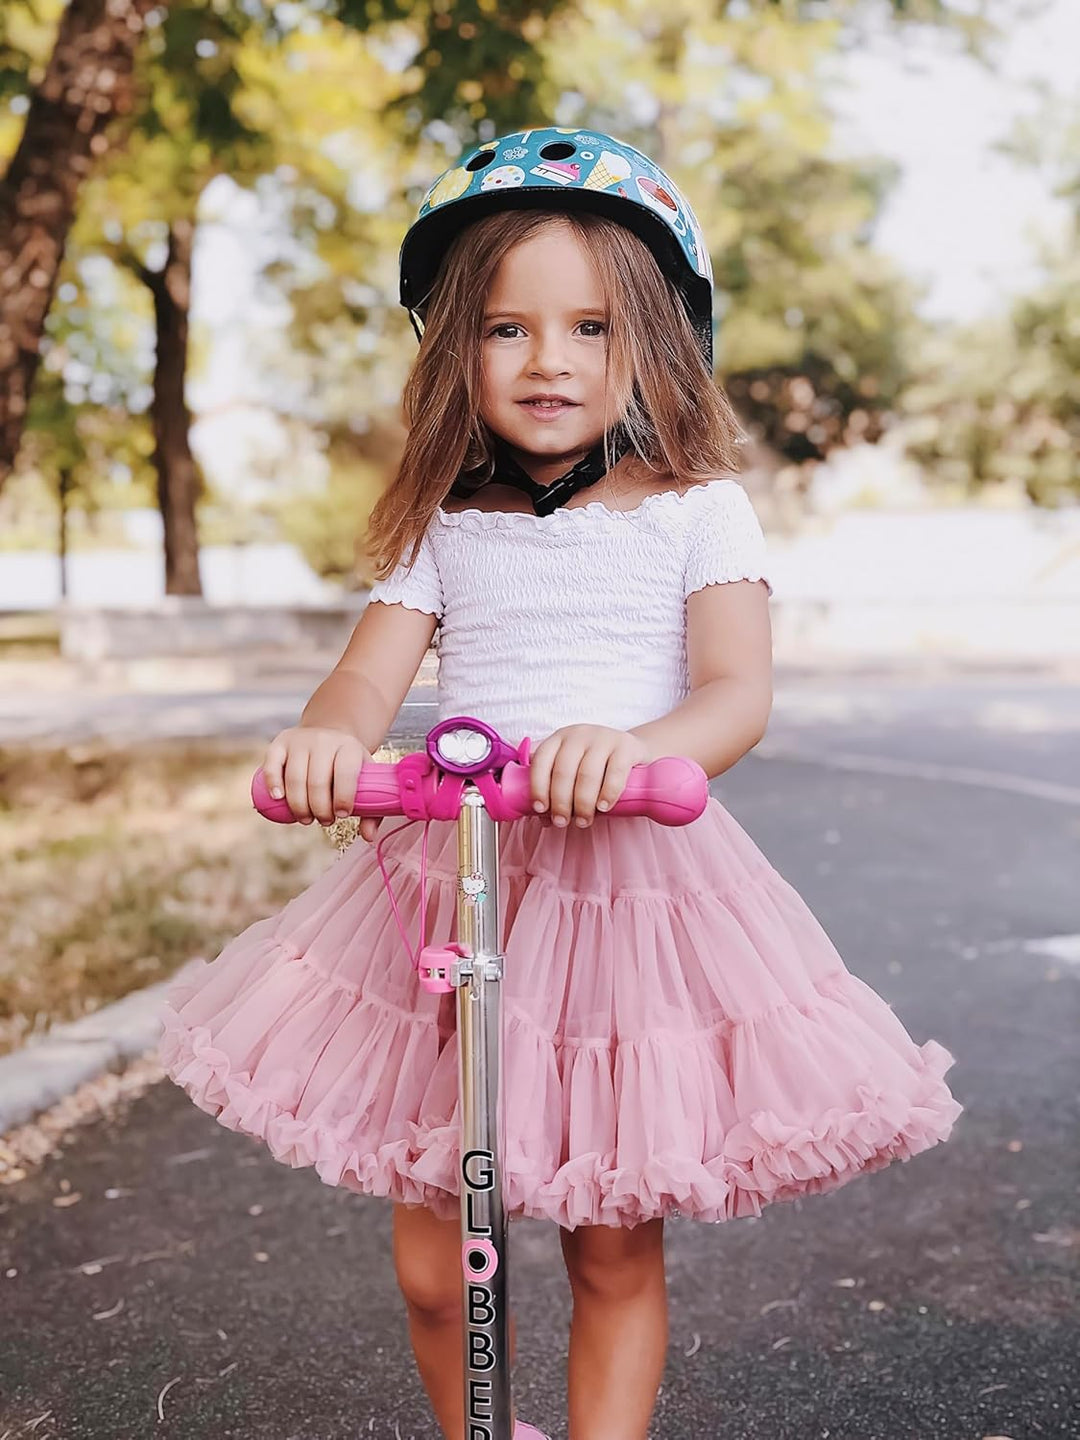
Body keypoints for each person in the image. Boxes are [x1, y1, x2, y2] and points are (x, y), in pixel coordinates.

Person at [158, 126, 964, 1440]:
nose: (550, 360)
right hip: (453, 880)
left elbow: (736, 694)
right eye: (508, 329)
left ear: (653, 344)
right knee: (438, 1266)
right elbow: (363, 683)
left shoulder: (697, 508)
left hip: (622, 891)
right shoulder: (444, 523)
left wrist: (638, 749)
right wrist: (325, 741)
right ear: (456, 350)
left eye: (591, 327)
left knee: (610, 1249)